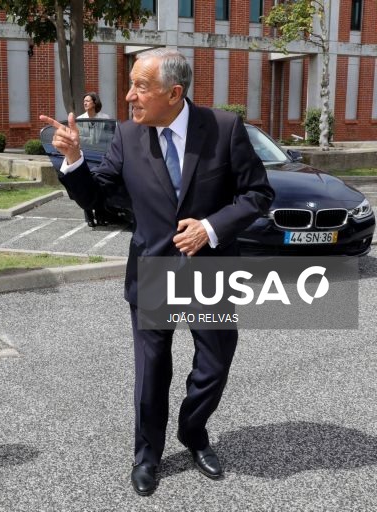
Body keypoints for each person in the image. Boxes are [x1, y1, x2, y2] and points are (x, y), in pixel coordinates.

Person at [41, 48, 274, 496]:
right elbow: (99, 199)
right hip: (152, 272)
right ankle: (147, 454)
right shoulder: (127, 137)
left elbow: (257, 195)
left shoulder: (224, 129)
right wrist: (71, 161)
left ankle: (193, 430)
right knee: (151, 372)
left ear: (175, 92)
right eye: (130, 84)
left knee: (215, 364)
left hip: (210, 275)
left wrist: (210, 228)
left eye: (140, 87)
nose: (129, 95)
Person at [76, 92, 111, 227]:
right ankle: (89, 217)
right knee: (86, 187)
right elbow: (78, 138)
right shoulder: (80, 119)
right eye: (84, 101)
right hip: (86, 157)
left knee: (100, 186)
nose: (85, 103)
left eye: (88, 101)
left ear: (95, 103)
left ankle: (101, 216)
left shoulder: (105, 118)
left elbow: (108, 138)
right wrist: (90, 140)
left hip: (101, 157)